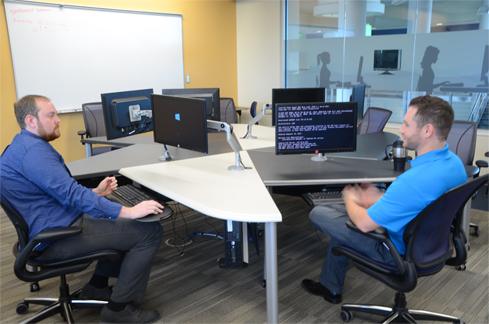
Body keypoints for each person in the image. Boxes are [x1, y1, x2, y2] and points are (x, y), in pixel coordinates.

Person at [0, 95, 165, 324]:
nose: (58, 120)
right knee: (148, 231)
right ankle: (118, 309)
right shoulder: (35, 154)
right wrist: (129, 211)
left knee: (115, 218)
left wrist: (96, 193)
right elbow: (70, 194)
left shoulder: (21, 146)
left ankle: (96, 287)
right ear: (30, 120)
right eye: (51, 115)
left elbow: (57, 192)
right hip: (56, 237)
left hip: (47, 224)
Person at [301, 95, 467, 304]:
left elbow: (363, 223)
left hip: (394, 251)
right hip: (431, 243)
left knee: (322, 212)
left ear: (427, 131)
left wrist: (351, 198)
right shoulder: (454, 164)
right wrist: (379, 199)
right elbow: (417, 204)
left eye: (407, 124)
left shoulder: (410, 183)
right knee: (343, 214)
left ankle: (330, 287)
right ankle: (329, 286)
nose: (401, 130)